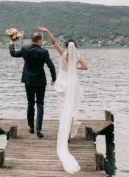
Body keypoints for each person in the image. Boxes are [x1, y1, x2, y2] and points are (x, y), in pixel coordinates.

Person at [38, 27, 88, 174]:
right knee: (71, 109)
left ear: (66, 45)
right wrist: (74, 68)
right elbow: (86, 67)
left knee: (63, 108)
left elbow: (53, 42)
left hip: (62, 83)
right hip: (72, 84)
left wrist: (47, 32)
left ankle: (64, 134)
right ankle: (67, 136)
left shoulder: (63, 53)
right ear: (75, 46)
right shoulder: (77, 56)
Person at [9, 32, 57, 138]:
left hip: (28, 80)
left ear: (32, 40)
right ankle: (38, 129)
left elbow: (13, 53)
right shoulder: (44, 52)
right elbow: (51, 66)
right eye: (42, 40)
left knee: (30, 103)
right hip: (40, 81)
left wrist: (12, 42)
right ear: (39, 40)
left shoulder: (25, 49)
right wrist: (54, 78)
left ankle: (31, 127)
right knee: (40, 104)